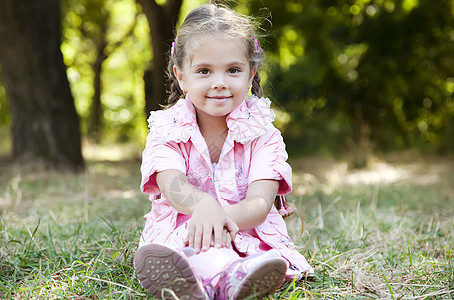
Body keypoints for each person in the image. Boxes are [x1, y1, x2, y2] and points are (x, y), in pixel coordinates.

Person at [134, 3, 313, 299]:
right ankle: (218, 278)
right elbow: (171, 183)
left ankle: (222, 277)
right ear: (181, 76)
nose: (219, 83)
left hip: (243, 227)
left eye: (233, 70)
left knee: (252, 255)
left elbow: (260, 201)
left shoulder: (263, 133)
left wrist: (219, 218)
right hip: (189, 226)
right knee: (185, 247)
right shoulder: (168, 129)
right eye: (204, 71)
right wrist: (202, 205)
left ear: (250, 72)